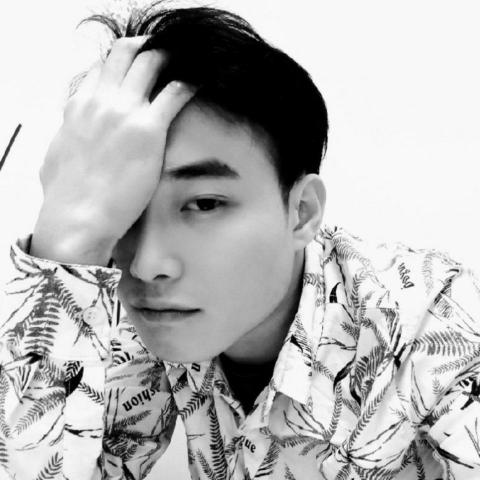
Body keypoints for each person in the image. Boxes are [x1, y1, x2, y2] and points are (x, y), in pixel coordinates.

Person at [1, 2, 480, 479]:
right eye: (124, 210)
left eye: (205, 203)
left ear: (302, 212)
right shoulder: (125, 319)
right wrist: (64, 248)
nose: (146, 265)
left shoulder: (434, 320)